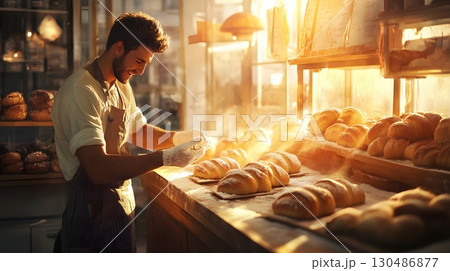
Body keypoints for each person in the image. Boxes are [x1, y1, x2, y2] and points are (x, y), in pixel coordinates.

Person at [51, 12, 207, 252]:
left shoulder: (121, 87)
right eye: (139, 61)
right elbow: (98, 169)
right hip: (90, 218)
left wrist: (180, 138)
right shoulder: (80, 91)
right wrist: (166, 158)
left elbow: (140, 132)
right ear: (119, 48)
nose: (142, 71)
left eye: (146, 63)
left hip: (121, 212)